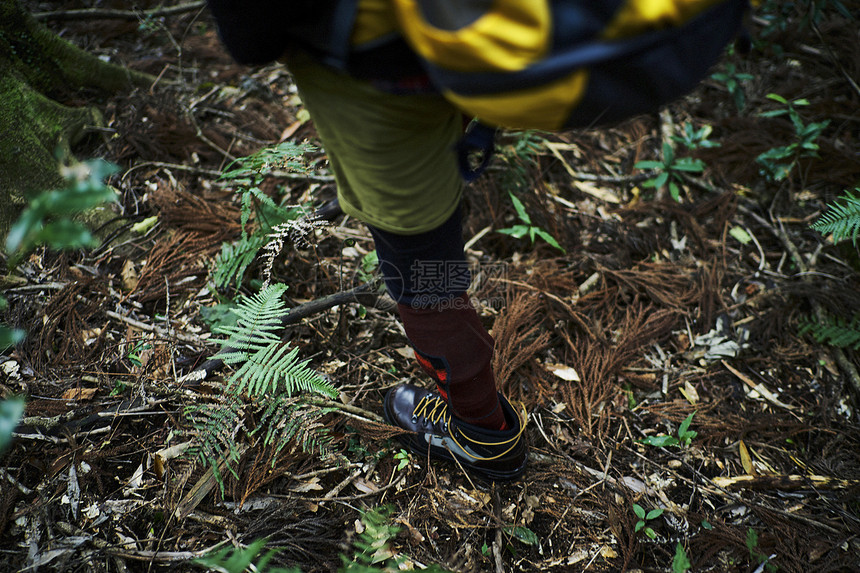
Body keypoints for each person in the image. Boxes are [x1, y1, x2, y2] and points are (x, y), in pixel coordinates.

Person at [206, 0, 527, 482]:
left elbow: (251, 37)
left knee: (426, 284)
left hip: (381, 74)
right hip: (480, 39)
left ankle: (482, 435)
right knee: (433, 249)